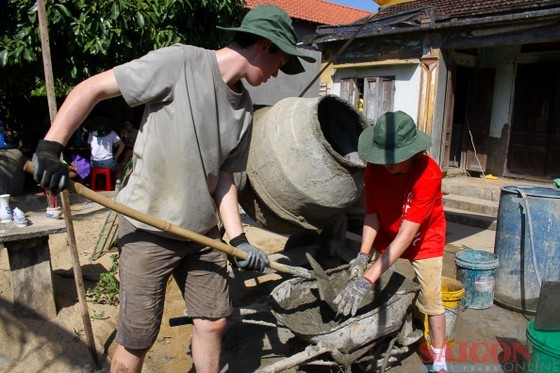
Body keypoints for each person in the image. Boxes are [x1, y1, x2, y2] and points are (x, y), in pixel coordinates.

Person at [31, 4, 315, 373]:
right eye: (280, 62)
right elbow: (94, 87)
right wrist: (51, 147)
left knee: (213, 320)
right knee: (137, 338)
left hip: (201, 234)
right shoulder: (180, 62)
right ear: (264, 45)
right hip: (148, 226)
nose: (278, 73)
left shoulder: (244, 108)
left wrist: (239, 238)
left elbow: (224, 179)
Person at [333, 111, 448, 373]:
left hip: (423, 237)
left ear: (412, 151)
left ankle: (440, 359)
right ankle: (377, 331)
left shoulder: (429, 174)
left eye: (394, 158)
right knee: (366, 279)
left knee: (431, 298)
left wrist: (367, 278)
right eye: (382, 156)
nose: (387, 163)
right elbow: (371, 215)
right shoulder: (374, 170)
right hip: (387, 227)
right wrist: (363, 256)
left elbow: (407, 236)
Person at [87, 117, 125, 184]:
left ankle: (99, 182)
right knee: (119, 168)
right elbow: (122, 145)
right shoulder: (112, 133)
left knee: (99, 172)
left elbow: (90, 147)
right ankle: (117, 182)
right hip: (108, 162)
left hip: (94, 163)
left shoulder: (91, 133)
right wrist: (116, 156)